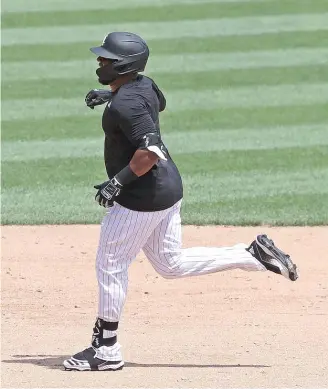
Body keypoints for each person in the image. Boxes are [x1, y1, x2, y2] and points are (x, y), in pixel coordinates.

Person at [63, 32, 298, 372]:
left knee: (111, 264)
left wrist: (117, 182)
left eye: (107, 59)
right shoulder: (141, 85)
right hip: (169, 188)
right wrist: (110, 94)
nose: (100, 61)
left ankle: (106, 349)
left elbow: (150, 151)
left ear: (124, 65)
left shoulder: (126, 104)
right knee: (169, 264)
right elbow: (157, 103)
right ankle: (252, 255)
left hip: (142, 197)